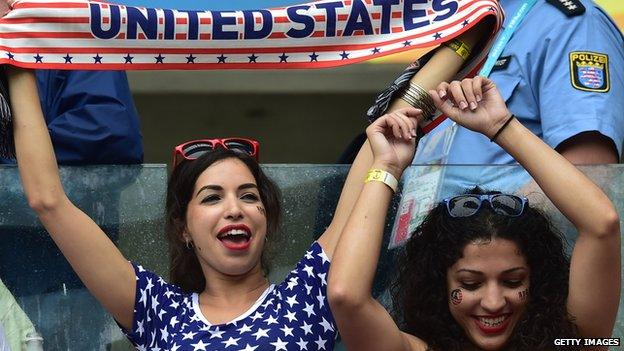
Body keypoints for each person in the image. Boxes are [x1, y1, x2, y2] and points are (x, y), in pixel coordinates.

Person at [328, 76, 621, 350]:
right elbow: (346, 297)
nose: (493, 303)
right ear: (439, 286)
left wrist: (501, 125)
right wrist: (387, 168)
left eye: (513, 281)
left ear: (537, 282)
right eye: (470, 283)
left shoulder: (573, 342)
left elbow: (602, 224)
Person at [408, 0, 623, 195]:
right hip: (426, 231)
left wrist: (495, 230)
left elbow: (590, 170)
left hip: (502, 233)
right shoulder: (457, 20)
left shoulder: (572, 24)